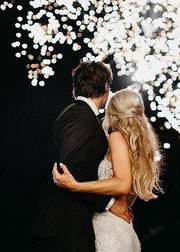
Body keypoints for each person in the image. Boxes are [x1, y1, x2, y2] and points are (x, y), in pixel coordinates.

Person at [30, 60, 132, 252]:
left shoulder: (77, 114)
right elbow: (67, 171)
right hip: (67, 226)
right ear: (106, 87)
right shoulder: (81, 116)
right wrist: (110, 204)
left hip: (62, 224)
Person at [52, 88, 163, 252]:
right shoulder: (140, 146)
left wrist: (76, 185)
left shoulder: (117, 137)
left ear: (113, 110)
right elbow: (128, 198)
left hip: (109, 227)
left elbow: (122, 184)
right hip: (124, 227)